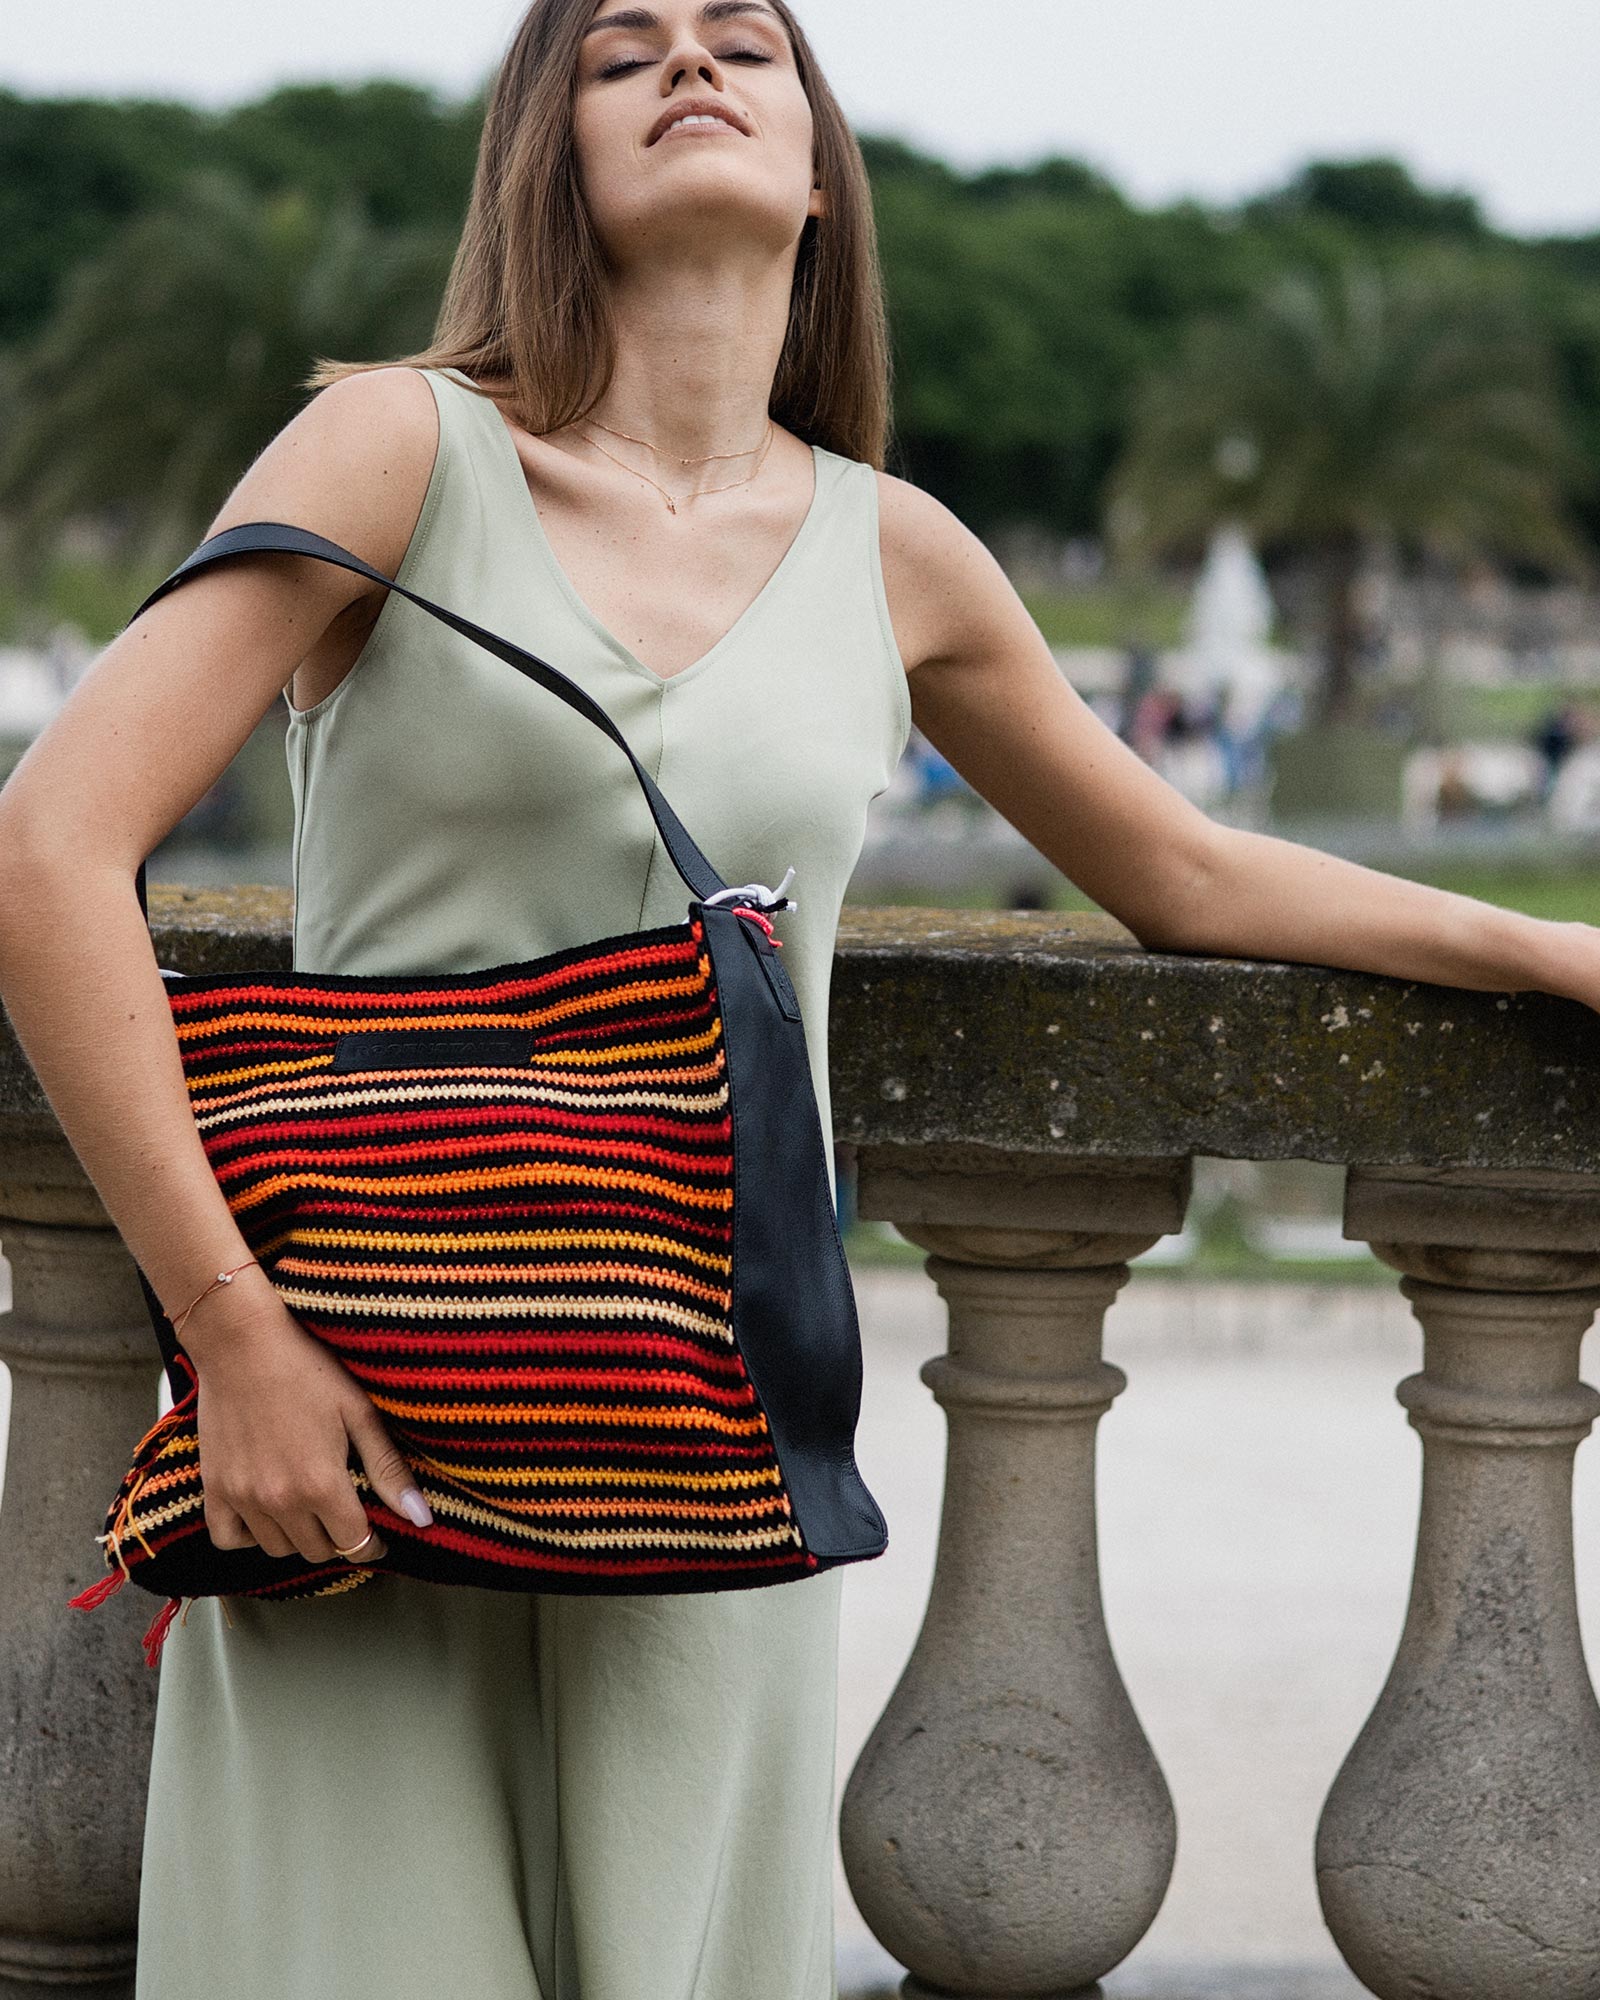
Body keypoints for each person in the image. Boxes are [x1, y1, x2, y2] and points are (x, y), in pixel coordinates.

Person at [0, 3, 1595, 1996]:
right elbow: (47, 847)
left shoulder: (891, 551)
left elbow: (1186, 870)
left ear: (818, 161)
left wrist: (1544, 950)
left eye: (742, 42)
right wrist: (229, 1335)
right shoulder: (397, 447)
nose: (687, 63)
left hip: (703, 1428)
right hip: (366, 1414)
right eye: (623, 49)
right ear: (546, 152)